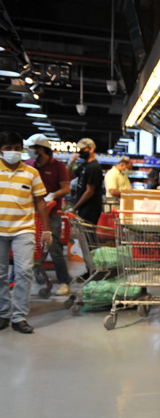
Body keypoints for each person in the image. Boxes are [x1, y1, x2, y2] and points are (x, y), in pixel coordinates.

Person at [0, 131, 52, 333]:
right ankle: (3, 313)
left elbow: (40, 201)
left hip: (24, 229)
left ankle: (19, 317)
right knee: (0, 274)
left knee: (24, 272)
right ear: (1, 150)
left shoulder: (32, 173)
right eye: (7, 148)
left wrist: (47, 231)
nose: (13, 152)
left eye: (17, 148)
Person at [24, 134, 72, 295]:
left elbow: (66, 188)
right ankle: (34, 275)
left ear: (41, 149)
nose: (29, 152)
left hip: (51, 213)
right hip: (31, 213)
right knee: (30, 247)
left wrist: (52, 196)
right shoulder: (28, 165)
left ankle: (64, 281)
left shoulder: (58, 166)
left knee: (54, 246)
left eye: (31, 148)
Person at [69, 138, 104, 224]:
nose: (80, 151)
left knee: (89, 235)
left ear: (91, 149)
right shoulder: (84, 164)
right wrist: (70, 164)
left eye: (82, 149)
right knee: (86, 235)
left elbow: (89, 191)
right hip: (83, 207)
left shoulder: (94, 167)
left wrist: (74, 208)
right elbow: (70, 177)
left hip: (90, 209)